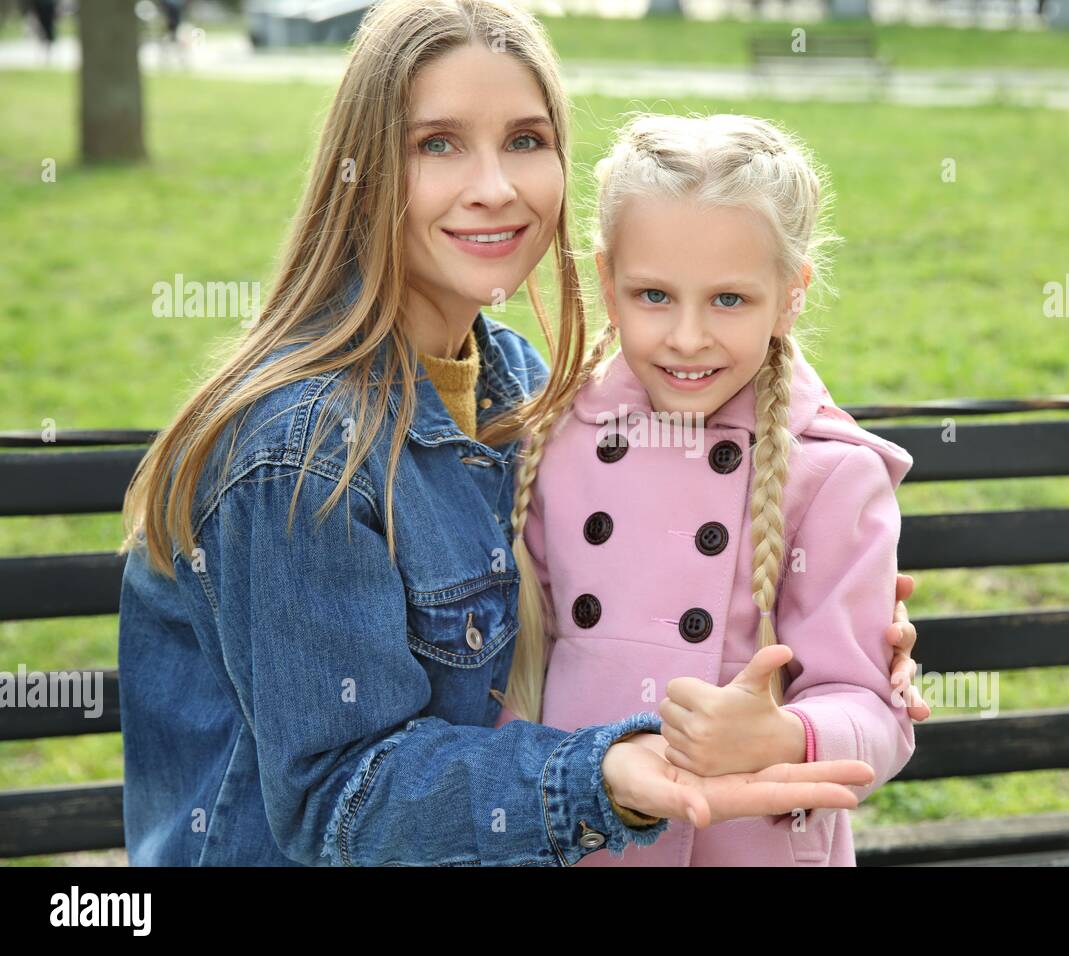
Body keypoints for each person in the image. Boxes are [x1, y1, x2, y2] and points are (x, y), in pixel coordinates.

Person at [116, 0, 926, 867]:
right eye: (438, 143)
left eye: (527, 140)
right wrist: (602, 776)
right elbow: (338, 797)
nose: (495, 186)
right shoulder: (299, 452)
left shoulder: (521, 392)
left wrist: (825, 698)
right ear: (362, 172)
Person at [495, 113, 916, 866]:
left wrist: (784, 734)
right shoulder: (555, 441)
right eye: (654, 295)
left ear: (791, 295)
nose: (687, 337)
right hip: (577, 843)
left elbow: (878, 716)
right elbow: (514, 673)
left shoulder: (830, 474)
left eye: (729, 300)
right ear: (607, 283)